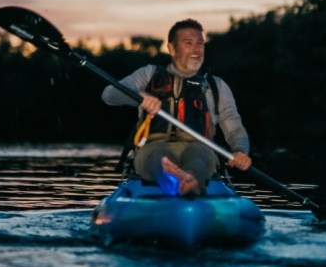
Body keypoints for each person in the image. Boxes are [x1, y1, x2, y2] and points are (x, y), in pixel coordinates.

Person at [101, 19, 252, 196]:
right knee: (160, 155)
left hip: (200, 148)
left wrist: (240, 151)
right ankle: (172, 178)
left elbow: (235, 129)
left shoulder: (216, 86)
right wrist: (140, 97)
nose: (196, 49)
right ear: (171, 49)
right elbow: (109, 95)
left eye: (200, 43)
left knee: (198, 155)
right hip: (153, 147)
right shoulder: (148, 74)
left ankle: (189, 180)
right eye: (188, 43)